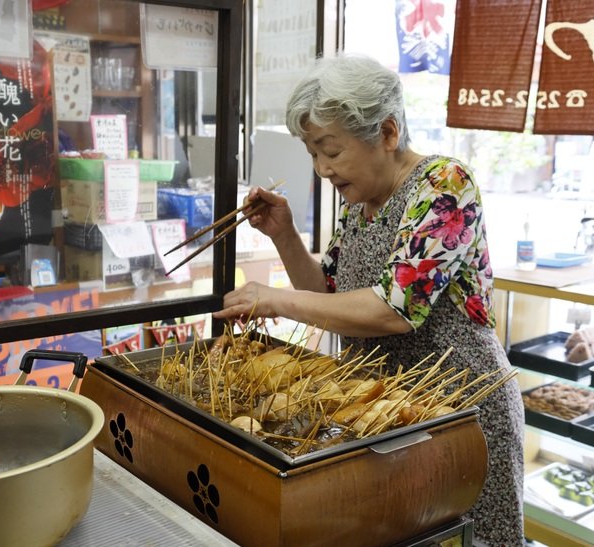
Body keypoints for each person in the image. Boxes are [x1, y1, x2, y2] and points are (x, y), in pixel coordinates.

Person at [214, 54, 525, 546]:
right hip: (379, 412)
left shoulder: (445, 186)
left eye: (330, 151)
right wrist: (285, 236)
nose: (321, 169)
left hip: (457, 415)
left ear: (386, 132)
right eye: (312, 154)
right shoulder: (359, 205)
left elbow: (391, 309)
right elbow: (328, 296)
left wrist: (272, 300)